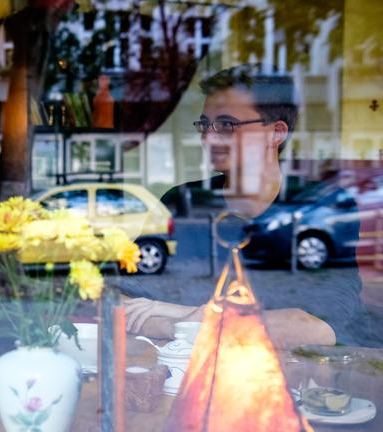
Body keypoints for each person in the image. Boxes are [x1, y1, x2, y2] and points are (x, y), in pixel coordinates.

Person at [123, 65, 366, 349]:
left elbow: (322, 326)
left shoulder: (322, 207)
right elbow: (124, 299)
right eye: (205, 124)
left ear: (276, 133)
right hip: (181, 378)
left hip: (284, 384)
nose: (208, 138)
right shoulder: (182, 203)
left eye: (227, 125)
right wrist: (184, 323)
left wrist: (188, 316)